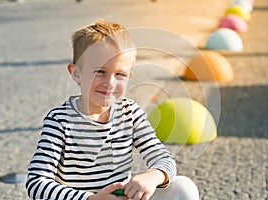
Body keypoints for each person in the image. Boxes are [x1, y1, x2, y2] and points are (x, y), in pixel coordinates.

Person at [26, 19, 199, 200]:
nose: (110, 83)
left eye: (120, 74)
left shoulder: (130, 113)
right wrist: (91, 198)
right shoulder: (60, 120)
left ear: (129, 76)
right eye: (100, 71)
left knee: (183, 187)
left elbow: (164, 159)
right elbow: (37, 182)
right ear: (76, 73)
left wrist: (152, 176)